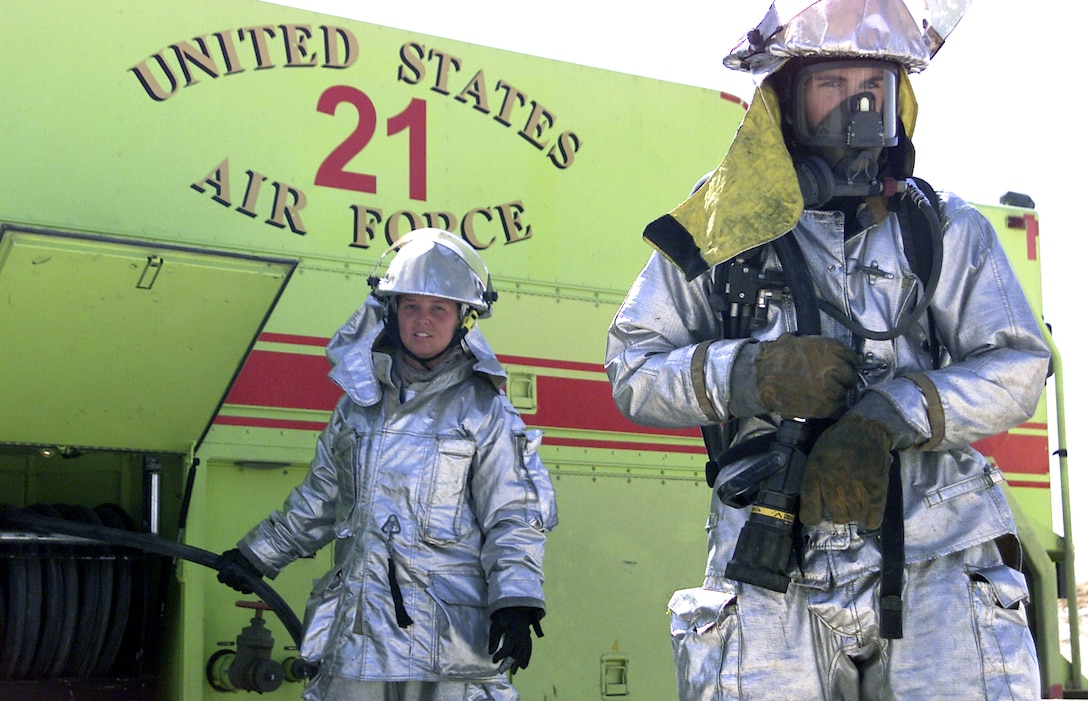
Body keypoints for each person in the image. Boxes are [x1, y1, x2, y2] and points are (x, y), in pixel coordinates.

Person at [604, 1, 1051, 699]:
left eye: (872, 84)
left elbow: (1020, 366)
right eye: (831, 83)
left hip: (935, 555)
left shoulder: (945, 227)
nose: (856, 103)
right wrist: (750, 373)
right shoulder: (723, 226)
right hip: (769, 557)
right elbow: (634, 368)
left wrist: (890, 414)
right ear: (786, 99)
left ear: (898, 97)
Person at [215, 227, 558, 701]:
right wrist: (257, 555)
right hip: (358, 639)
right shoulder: (357, 407)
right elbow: (321, 499)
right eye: (410, 306)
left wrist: (515, 600)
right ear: (391, 312)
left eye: (439, 308)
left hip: (446, 644)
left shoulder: (486, 412)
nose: (423, 320)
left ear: (464, 319)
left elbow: (514, 516)